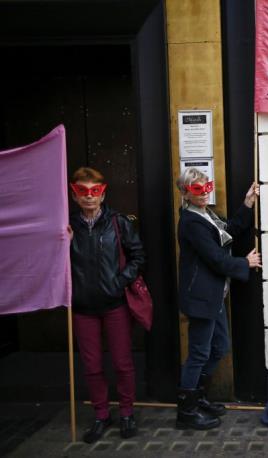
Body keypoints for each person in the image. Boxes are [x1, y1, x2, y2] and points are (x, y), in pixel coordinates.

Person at [175, 168, 261, 430]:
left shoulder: (206, 215)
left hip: (214, 295)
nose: (204, 193)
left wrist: (247, 203)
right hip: (201, 297)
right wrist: (244, 263)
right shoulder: (191, 222)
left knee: (220, 347)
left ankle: (198, 397)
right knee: (199, 353)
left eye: (206, 186)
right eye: (197, 189)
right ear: (185, 193)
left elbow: (230, 230)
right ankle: (186, 412)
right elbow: (215, 258)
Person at [67, 167, 145, 443]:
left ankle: (126, 412)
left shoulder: (117, 222)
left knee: (123, 363)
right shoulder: (67, 226)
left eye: (95, 191)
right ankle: (101, 414)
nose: (89, 197)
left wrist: (119, 282)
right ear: (74, 195)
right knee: (92, 366)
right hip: (82, 307)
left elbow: (137, 256)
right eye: (83, 191)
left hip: (114, 304)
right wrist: (60, 243)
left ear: (103, 193)